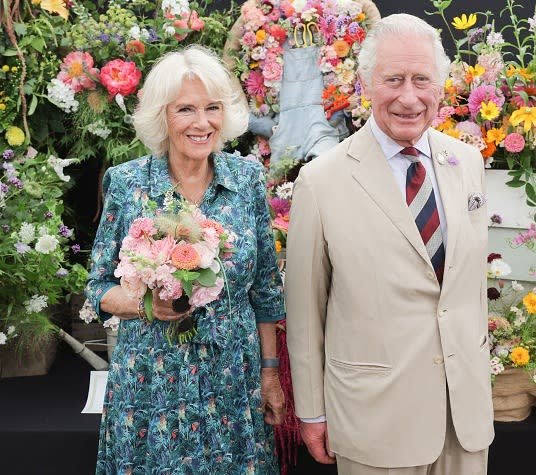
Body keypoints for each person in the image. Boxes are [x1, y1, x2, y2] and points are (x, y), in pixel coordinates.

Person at [285, 13, 494, 475]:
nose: (409, 96)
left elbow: (467, 286)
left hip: (465, 418)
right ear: (365, 84)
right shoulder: (321, 182)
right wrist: (313, 411)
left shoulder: (468, 162)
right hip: (373, 421)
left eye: (422, 79)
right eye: (393, 79)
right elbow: (304, 312)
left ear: (441, 86)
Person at [85, 45, 286, 474]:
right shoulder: (127, 184)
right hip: (152, 385)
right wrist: (145, 305)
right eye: (186, 110)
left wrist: (271, 374)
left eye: (213, 108)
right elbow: (99, 286)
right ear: (162, 116)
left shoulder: (247, 180)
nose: (202, 123)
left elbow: (265, 288)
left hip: (234, 380)